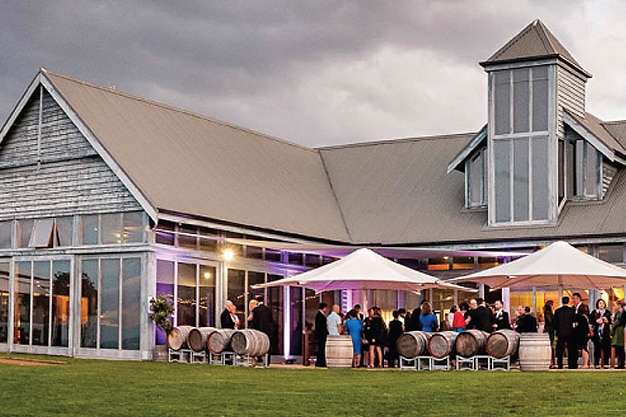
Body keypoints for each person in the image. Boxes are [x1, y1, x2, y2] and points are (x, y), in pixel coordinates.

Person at [250, 296, 274, 366]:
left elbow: (254, 321)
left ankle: (259, 358)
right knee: (268, 345)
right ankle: (268, 361)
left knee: (258, 345)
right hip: (267, 330)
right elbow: (271, 320)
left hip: (259, 330)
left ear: (257, 302)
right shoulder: (268, 309)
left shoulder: (256, 310)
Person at [554, 296, 576, 369]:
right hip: (570, 333)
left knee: (560, 350)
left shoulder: (557, 311)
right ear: (568, 301)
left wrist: (557, 329)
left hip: (560, 333)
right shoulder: (571, 311)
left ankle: (560, 364)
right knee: (570, 349)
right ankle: (571, 364)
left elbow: (555, 322)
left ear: (562, 301)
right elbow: (574, 321)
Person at [590, 299, 612, 368]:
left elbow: (611, 321)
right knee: (597, 349)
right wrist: (596, 321)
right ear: (597, 304)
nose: (601, 305)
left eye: (603, 303)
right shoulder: (594, 312)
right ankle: (596, 363)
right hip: (597, 333)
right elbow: (590, 320)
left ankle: (606, 363)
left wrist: (607, 321)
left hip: (605, 333)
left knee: (606, 349)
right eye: (600, 303)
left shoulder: (608, 312)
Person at [572, 292, 590, 368]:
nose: (574, 300)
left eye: (575, 298)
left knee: (584, 347)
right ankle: (575, 363)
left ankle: (585, 363)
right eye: (573, 299)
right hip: (575, 331)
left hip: (583, 330)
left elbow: (585, 319)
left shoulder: (584, 307)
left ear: (579, 298)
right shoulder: (573, 308)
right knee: (575, 347)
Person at [314, 303, 329, 367]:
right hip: (321, 335)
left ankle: (320, 362)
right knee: (321, 348)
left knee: (321, 349)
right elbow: (322, 327)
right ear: (324, 308)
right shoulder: (320, 316)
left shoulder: (319, 315)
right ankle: (320, 362)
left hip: (321, 335)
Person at [611, 301, 625, 369]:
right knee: (618, 347)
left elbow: (620, 321)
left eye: (616, 305)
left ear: (619, 305)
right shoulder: (617, 313)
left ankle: (622, 363)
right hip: (616, 331)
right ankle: (620, 363)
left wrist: (615, 323)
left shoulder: (624, 313)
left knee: (621, 347)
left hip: (620, 331)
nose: (615, 307)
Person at [543, 300, 555, 367]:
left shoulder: (547, 312)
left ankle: (551, 361)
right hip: (550, 330)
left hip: (548, 330)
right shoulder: (548, 312)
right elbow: (550, 321)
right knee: (550, 346)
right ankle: (550, 362)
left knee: (550, 346)